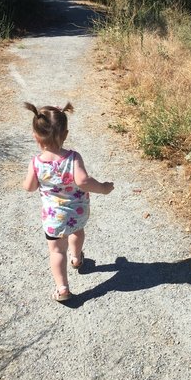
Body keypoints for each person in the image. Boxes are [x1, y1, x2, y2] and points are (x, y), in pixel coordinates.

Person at [23, 102, 114, 302]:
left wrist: (32, 181)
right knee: (77, 232)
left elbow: (29, 187)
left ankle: (62, 288)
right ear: (65, 134)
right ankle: (76, 257)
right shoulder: (73, 158)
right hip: (77, 212)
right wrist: (104, 188)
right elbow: (83, 181)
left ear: (35, 137)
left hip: (53, 218)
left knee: (56, 251)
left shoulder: (36, 163)